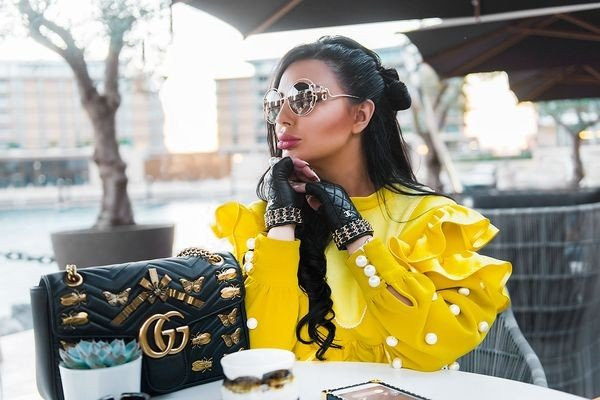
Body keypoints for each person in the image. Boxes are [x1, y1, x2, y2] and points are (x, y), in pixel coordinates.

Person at [211, 35, 511, 371]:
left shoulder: (429, 221)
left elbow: (440, 343)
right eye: (274, 102)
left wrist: (355, 235)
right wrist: (282, 224)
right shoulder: (261, 226)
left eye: (303, 97)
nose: (282, 117)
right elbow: (263, 357)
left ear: (360, 115)